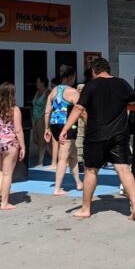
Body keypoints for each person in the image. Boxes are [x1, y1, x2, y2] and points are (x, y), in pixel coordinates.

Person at [60, 56, 135, 221]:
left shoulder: (91, 86)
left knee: (91, 171)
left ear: (94, 71)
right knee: (124, 169)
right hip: (119, 134)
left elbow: (78, 108)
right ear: (108, 69)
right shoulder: (122, 83)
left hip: (96, 135)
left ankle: (85, 209)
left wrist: (65, 128)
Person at [0, 82, 25, 210]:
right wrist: (23, 146)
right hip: (9, 144)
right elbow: (18, 130)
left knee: (0, 170)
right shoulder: (15, 110)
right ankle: (5, 203)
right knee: (8, 174)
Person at [44, 66, 83, 195]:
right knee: (63, 157)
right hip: (67, 127)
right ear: (71, 77)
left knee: (73, 154)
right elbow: (81, 111)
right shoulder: (73, 92)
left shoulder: (54, 90)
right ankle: (58, 188)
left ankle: (78, 182)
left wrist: (46, 128)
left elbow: (47, 111)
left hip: (55, 124)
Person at [30, 75, 50, 168]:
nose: (36, 83)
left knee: (42, 140)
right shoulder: (37, 92)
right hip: (35, 118)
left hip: (42, 117)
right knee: (36, 139)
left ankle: (40, 161)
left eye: (38, 81)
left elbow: (48, 106)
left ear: (42, 83)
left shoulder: (47, 93)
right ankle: (56, 156)